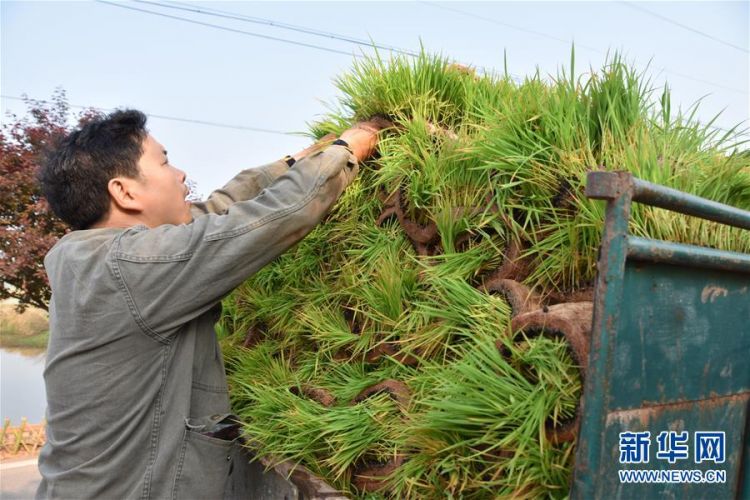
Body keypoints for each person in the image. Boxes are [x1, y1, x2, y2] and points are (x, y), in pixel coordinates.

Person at [35, 109, 381, 499]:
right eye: (164, 161)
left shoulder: (91, 258)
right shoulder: (131, 266)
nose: (180, 174)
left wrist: (300, 159)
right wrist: (349, 148)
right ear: (125, 192)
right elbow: (268, 220)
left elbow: (218, 211)